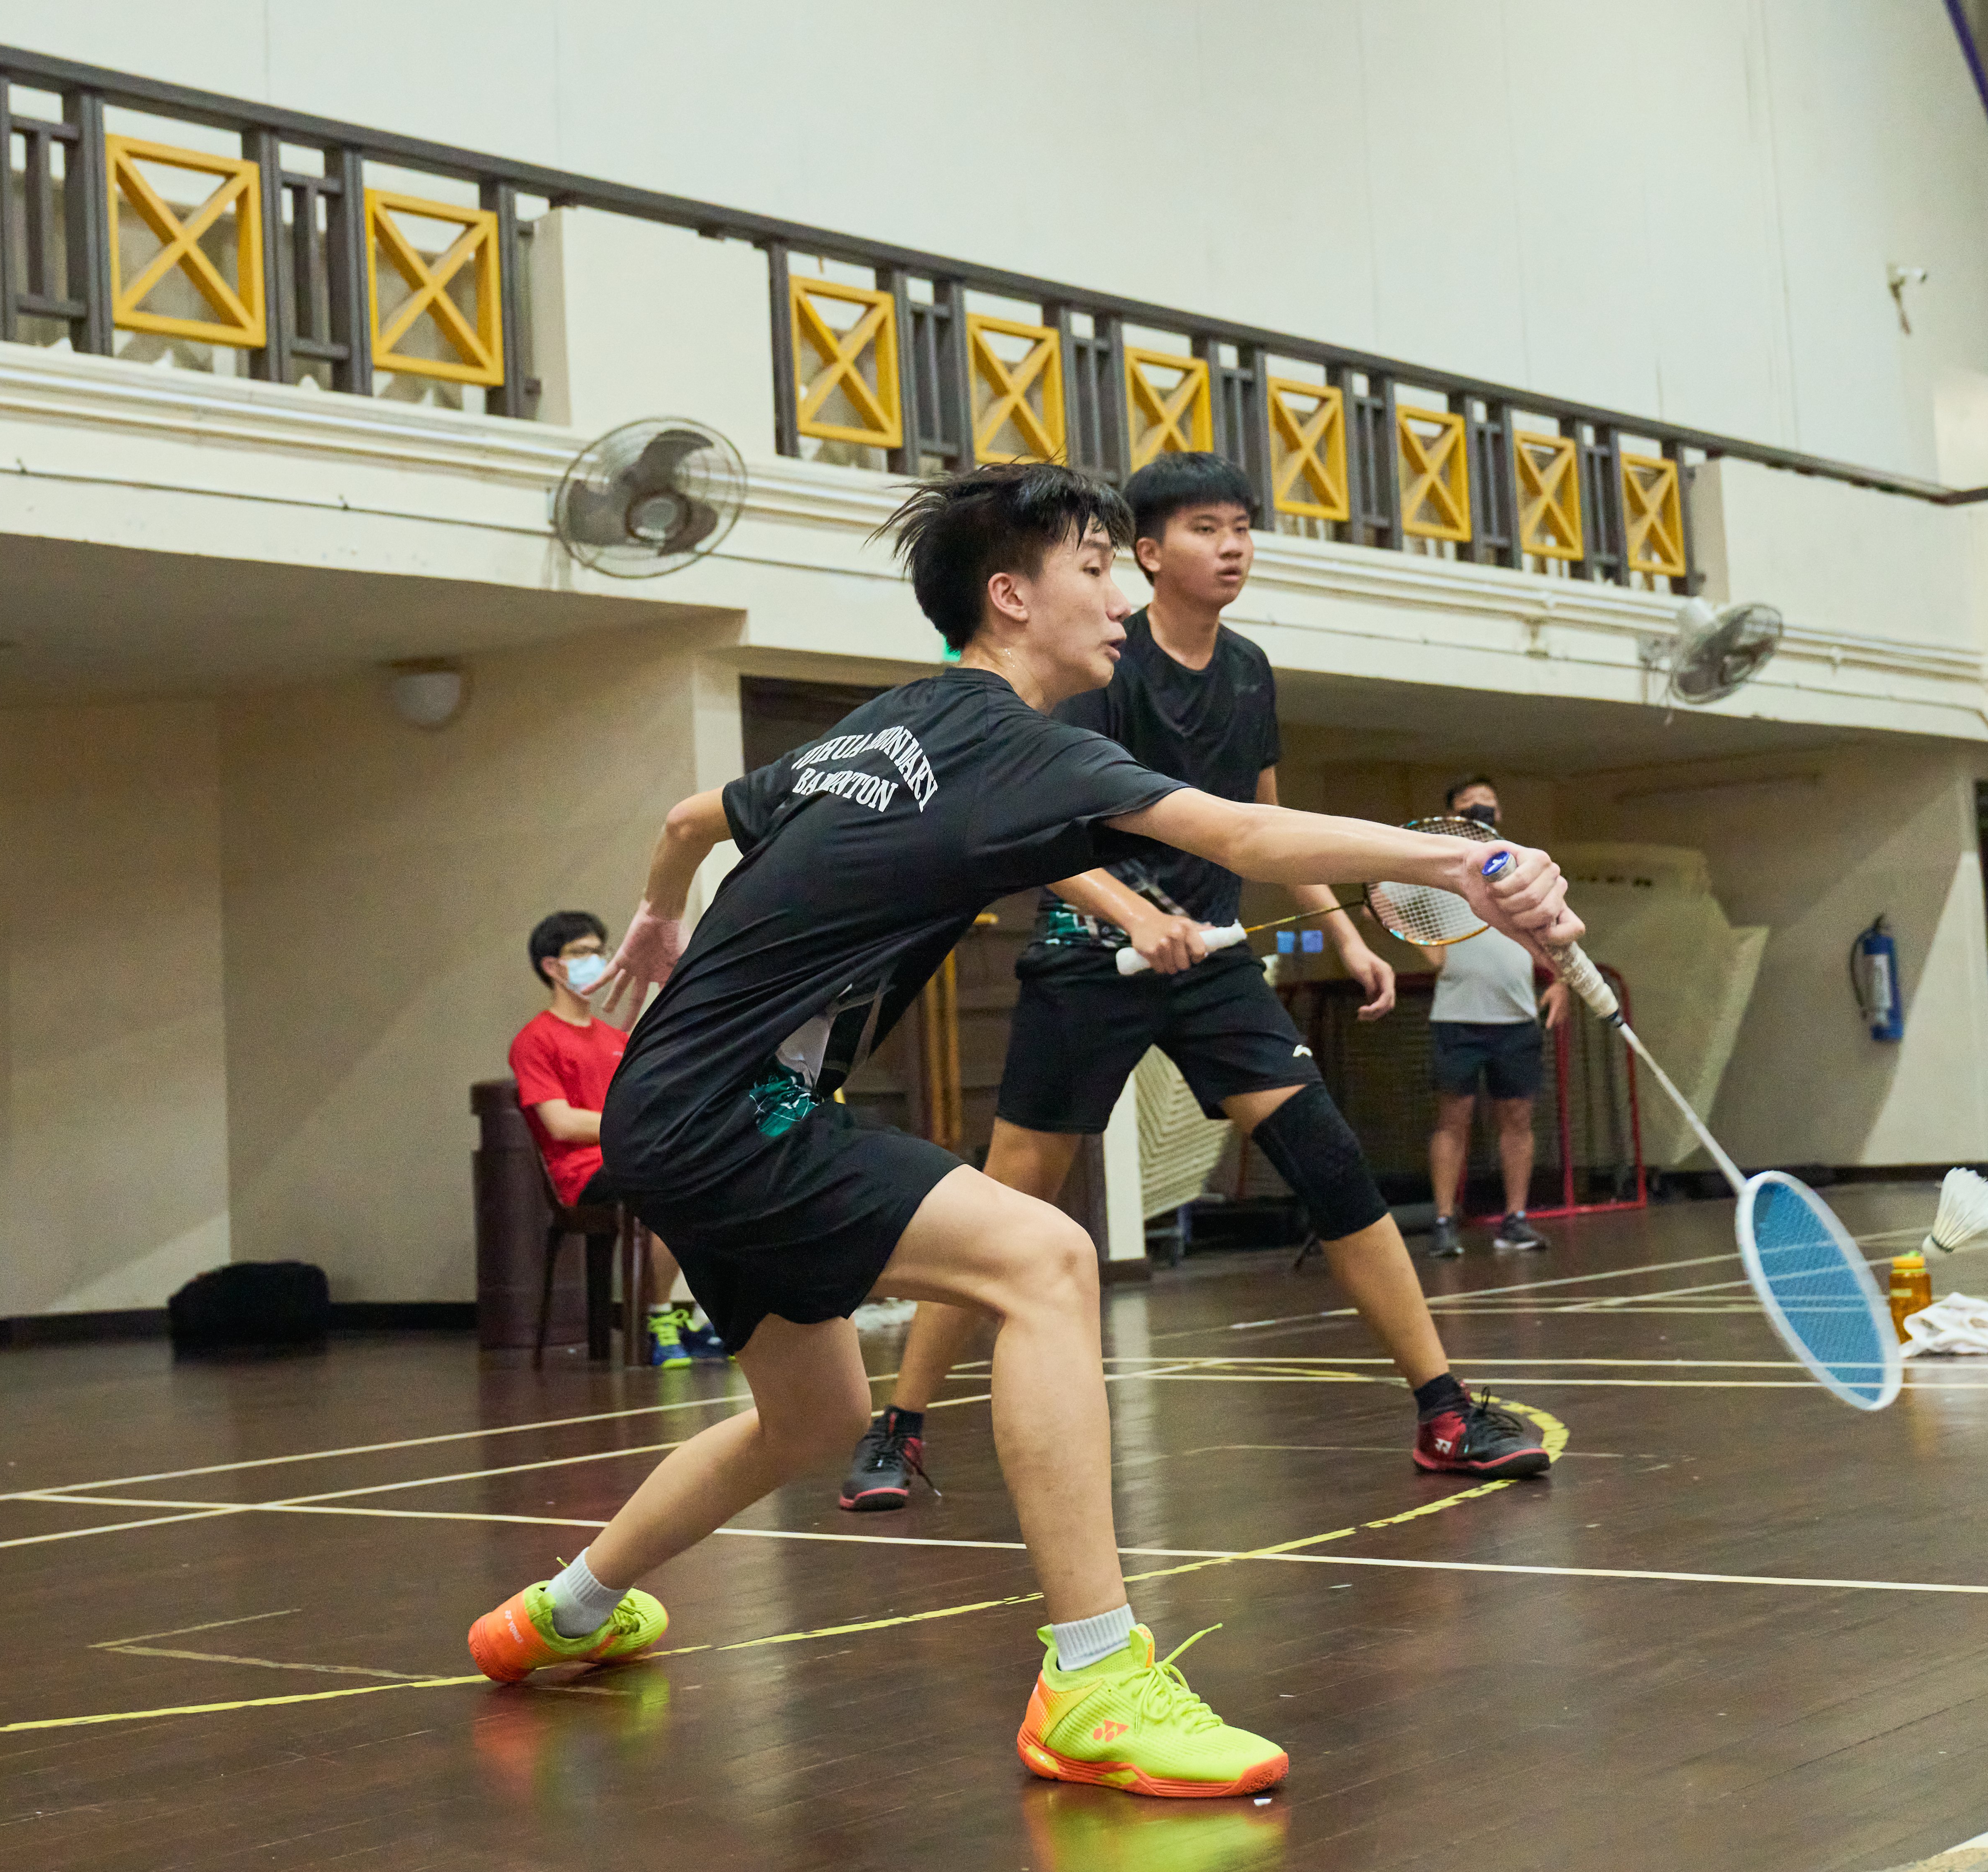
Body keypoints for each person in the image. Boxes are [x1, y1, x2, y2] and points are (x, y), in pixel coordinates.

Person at [463, 461, 1586, 1803]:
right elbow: (1234, 825)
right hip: (729, 1116)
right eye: (1095, 569)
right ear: (1010, 597)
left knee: (809, 1412)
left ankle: (565, 1609)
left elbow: (689, 818)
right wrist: (1465, 856)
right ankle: (1095, 1678)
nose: (1121, 596)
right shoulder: (1019, 744)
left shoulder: (882, 729)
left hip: (676, 1103)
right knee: (1045, 1259)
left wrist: (658, 914)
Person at [836, 452, 1555, 1519]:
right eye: (1206, 527)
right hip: (1091, 957)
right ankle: (895, 1425)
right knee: (1009, 1194)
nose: (1232, 546)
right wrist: (1131, 910)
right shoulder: (1101, 671)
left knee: (1331, 1163)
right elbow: (1036, 834)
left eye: (1243, 526)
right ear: (1147, 552)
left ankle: (1444, 1406)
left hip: (1214, 960)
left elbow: (1261, 819)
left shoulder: (1249, 670)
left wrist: (1338, 931)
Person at [512, 911, 713, 1367]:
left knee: (713, 1174)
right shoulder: (535, 1040)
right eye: (581, 953)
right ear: (552, 967)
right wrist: (633, 1129)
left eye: (600, 950)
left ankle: (704, 1316)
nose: (596, 960)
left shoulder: (617, 1038)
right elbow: (561, 1123)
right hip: (582, 1173)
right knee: (669, 1178)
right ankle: (660, 1318)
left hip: (635, 1156)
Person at [1421, 775, 1569, 1257]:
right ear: (1454, 816)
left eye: (1490, 804)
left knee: (1517, 1116)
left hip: (1517, 1017)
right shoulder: (1440, 872)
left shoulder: (1522, 869)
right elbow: (1394, 912)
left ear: (1500, 815)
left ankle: (1515, 1220)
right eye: (1471, 805)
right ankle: (1445, 1221)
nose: (1483, 810)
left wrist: (1561, 983)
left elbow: (1555, 928)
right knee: (1454, 1118)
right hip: (1457, 1017)